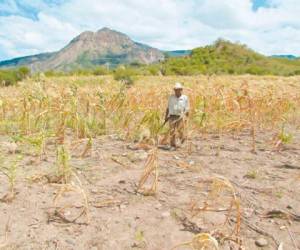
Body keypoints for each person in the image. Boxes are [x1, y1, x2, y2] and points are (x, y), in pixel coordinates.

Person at [165, 82, 189, 149]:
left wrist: (186, 118)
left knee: (180, 131)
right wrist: (166, 117)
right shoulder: (171, 97)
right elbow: (168, 107)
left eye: (178, 89)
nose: (176, 91)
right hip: (172, 116)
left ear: (181, 90)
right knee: (172, 131)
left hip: (180, 117)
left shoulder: (185, 98)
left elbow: (187, 109)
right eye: (175, 89)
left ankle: (182, 142)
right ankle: (173, 145)